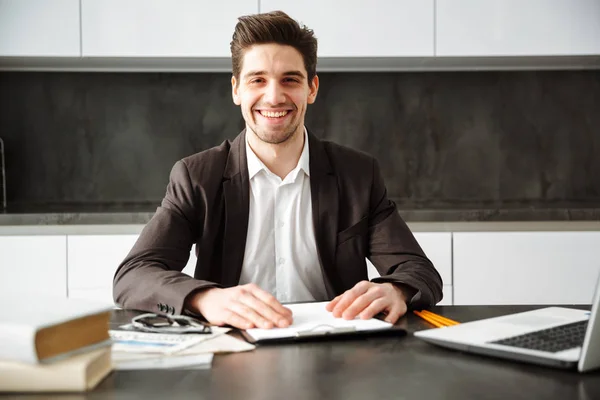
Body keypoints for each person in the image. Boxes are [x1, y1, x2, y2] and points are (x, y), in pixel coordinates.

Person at [113, 10, 443, 330]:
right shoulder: (197, 176)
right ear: (236, 89)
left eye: (290, 80)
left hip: (336, 356)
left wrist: (395, 290)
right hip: (234, 353)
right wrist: (205, 298)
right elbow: (134, 274)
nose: (274, 97)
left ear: (311, 88)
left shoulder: (358, 174)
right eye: (257, 80)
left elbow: (418, 271)